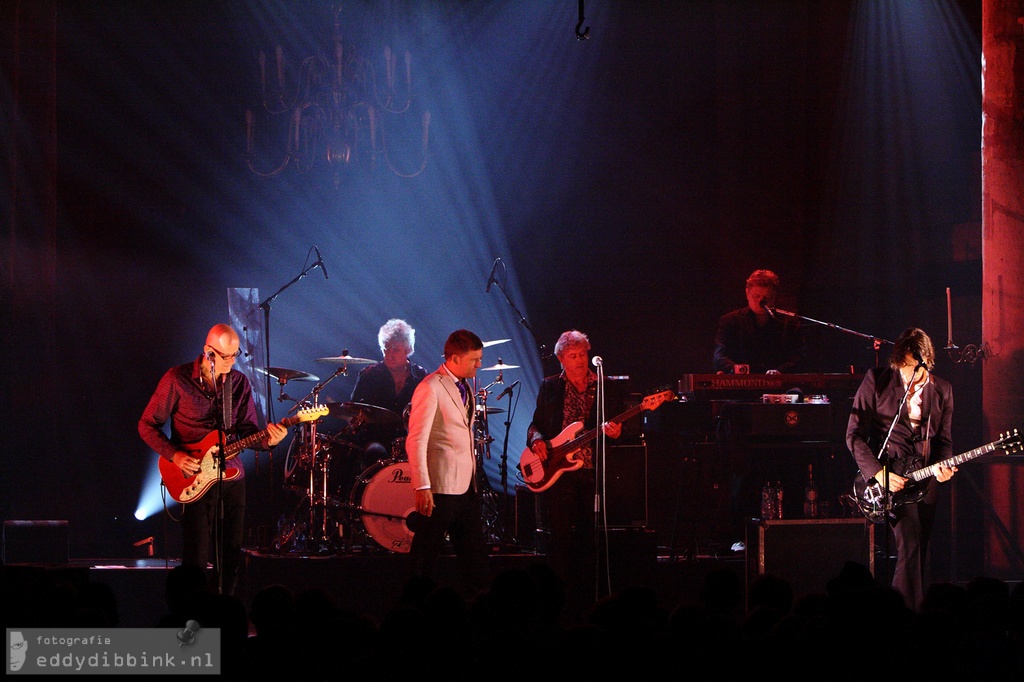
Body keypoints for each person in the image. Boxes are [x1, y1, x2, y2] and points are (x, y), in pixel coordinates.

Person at [139, 323, 287, 595]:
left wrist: (269, 441)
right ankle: (193, 618)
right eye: (225, 356)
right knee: (196, 555)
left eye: (235, 355)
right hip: (193, 477)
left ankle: (224, 614)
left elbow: (249, 432)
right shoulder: (177, 378)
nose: (232, 362)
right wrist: (175, 455)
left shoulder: (239, 382)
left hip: (231, 476)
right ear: (208, 352)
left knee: (230, 554)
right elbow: (147, 425)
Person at [846, 327, 956, 610]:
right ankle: (903, 613)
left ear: (927, 362)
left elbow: (944, 441)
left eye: (913, 368)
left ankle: (918, 611)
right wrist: (878, 474)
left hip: (925, 479)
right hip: (891, 478)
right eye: (903, 367)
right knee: (909, 542)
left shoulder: (942, 390)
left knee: (921, 548)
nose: (907, 375)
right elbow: (854, 435)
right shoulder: (877, 381)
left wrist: (943, 468)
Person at [525, 330, 623, 593]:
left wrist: (616, 432)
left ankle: (586, 589)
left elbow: (616, 425)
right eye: (573, 356)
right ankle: (557, 589)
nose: (579, 360)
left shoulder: (604, 385)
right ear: (561, 359)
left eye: (582, 354)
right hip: (558, 470)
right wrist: (536, 441)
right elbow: (536, 424)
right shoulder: (550, 386)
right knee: (560, 535)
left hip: (592, 469)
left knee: (588, 534)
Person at [404, 329, 489, 595]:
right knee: (424, 557)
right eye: (474, 359)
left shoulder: (465, 386)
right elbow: (416, 440)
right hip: (440, 488)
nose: (480, 364)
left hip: (467, 487)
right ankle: (412, 606)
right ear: (454, 358)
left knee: (474, 558)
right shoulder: (430, 387)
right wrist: (422, 486)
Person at [349, 318, 428, 464]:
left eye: (396, 350)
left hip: (411, 439)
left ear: (408, 350)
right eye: (386, 348)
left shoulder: (421, 376)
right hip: (376, 440)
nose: (389, 354)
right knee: (373, 451)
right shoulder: (368, 375)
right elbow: (353, 411)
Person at [713, 269, 805, 374]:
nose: (761, 301)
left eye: (767, 297)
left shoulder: (788, 322)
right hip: (742, 385)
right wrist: (737, 369)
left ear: (774, 295)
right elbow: (719, 356)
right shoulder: (730, 321)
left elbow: (800, 356)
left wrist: (780, 371)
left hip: (780, 386)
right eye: (756, 296)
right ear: (747, 293)